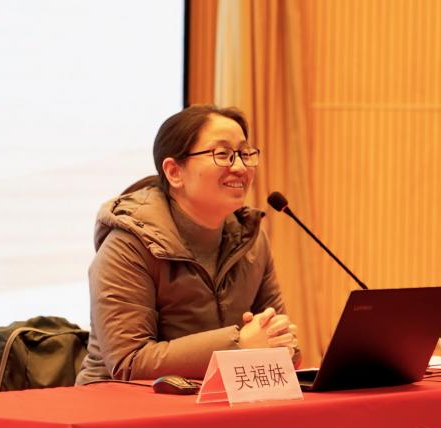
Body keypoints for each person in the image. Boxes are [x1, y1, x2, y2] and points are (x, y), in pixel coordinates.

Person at [76, 104, 301, 385]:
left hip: (212, 397)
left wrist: (283, 342)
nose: (240, 167)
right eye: (223, 154)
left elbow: (278, 342)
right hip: (118, 400)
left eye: (245, 154)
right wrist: (239, 345)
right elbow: (128, 362)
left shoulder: (251, 240)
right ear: (174, 172)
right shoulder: (129, 244)